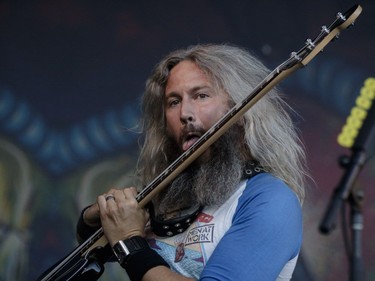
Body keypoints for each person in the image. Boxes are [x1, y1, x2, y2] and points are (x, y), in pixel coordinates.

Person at [76, 43, 308, 281]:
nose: (185, 113)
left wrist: (132, 246)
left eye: (201, 95)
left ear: (239, 109)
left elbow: (129, 245)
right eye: (173, 102)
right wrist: (93, 218)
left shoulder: (270, 199)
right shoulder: (173, 198)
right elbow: (97, 249)